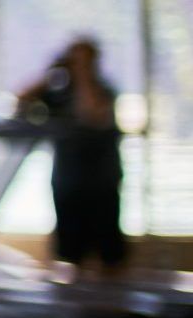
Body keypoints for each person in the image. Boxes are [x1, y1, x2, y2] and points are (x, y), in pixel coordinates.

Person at [21, 38, 128, 272]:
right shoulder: (57, 93)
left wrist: (82, 77)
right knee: (70, 251)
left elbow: (92, 113)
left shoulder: (104, 90)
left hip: (101, 180)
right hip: (68, 180)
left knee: (109, 250)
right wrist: (49, 74)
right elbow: (21, 100)